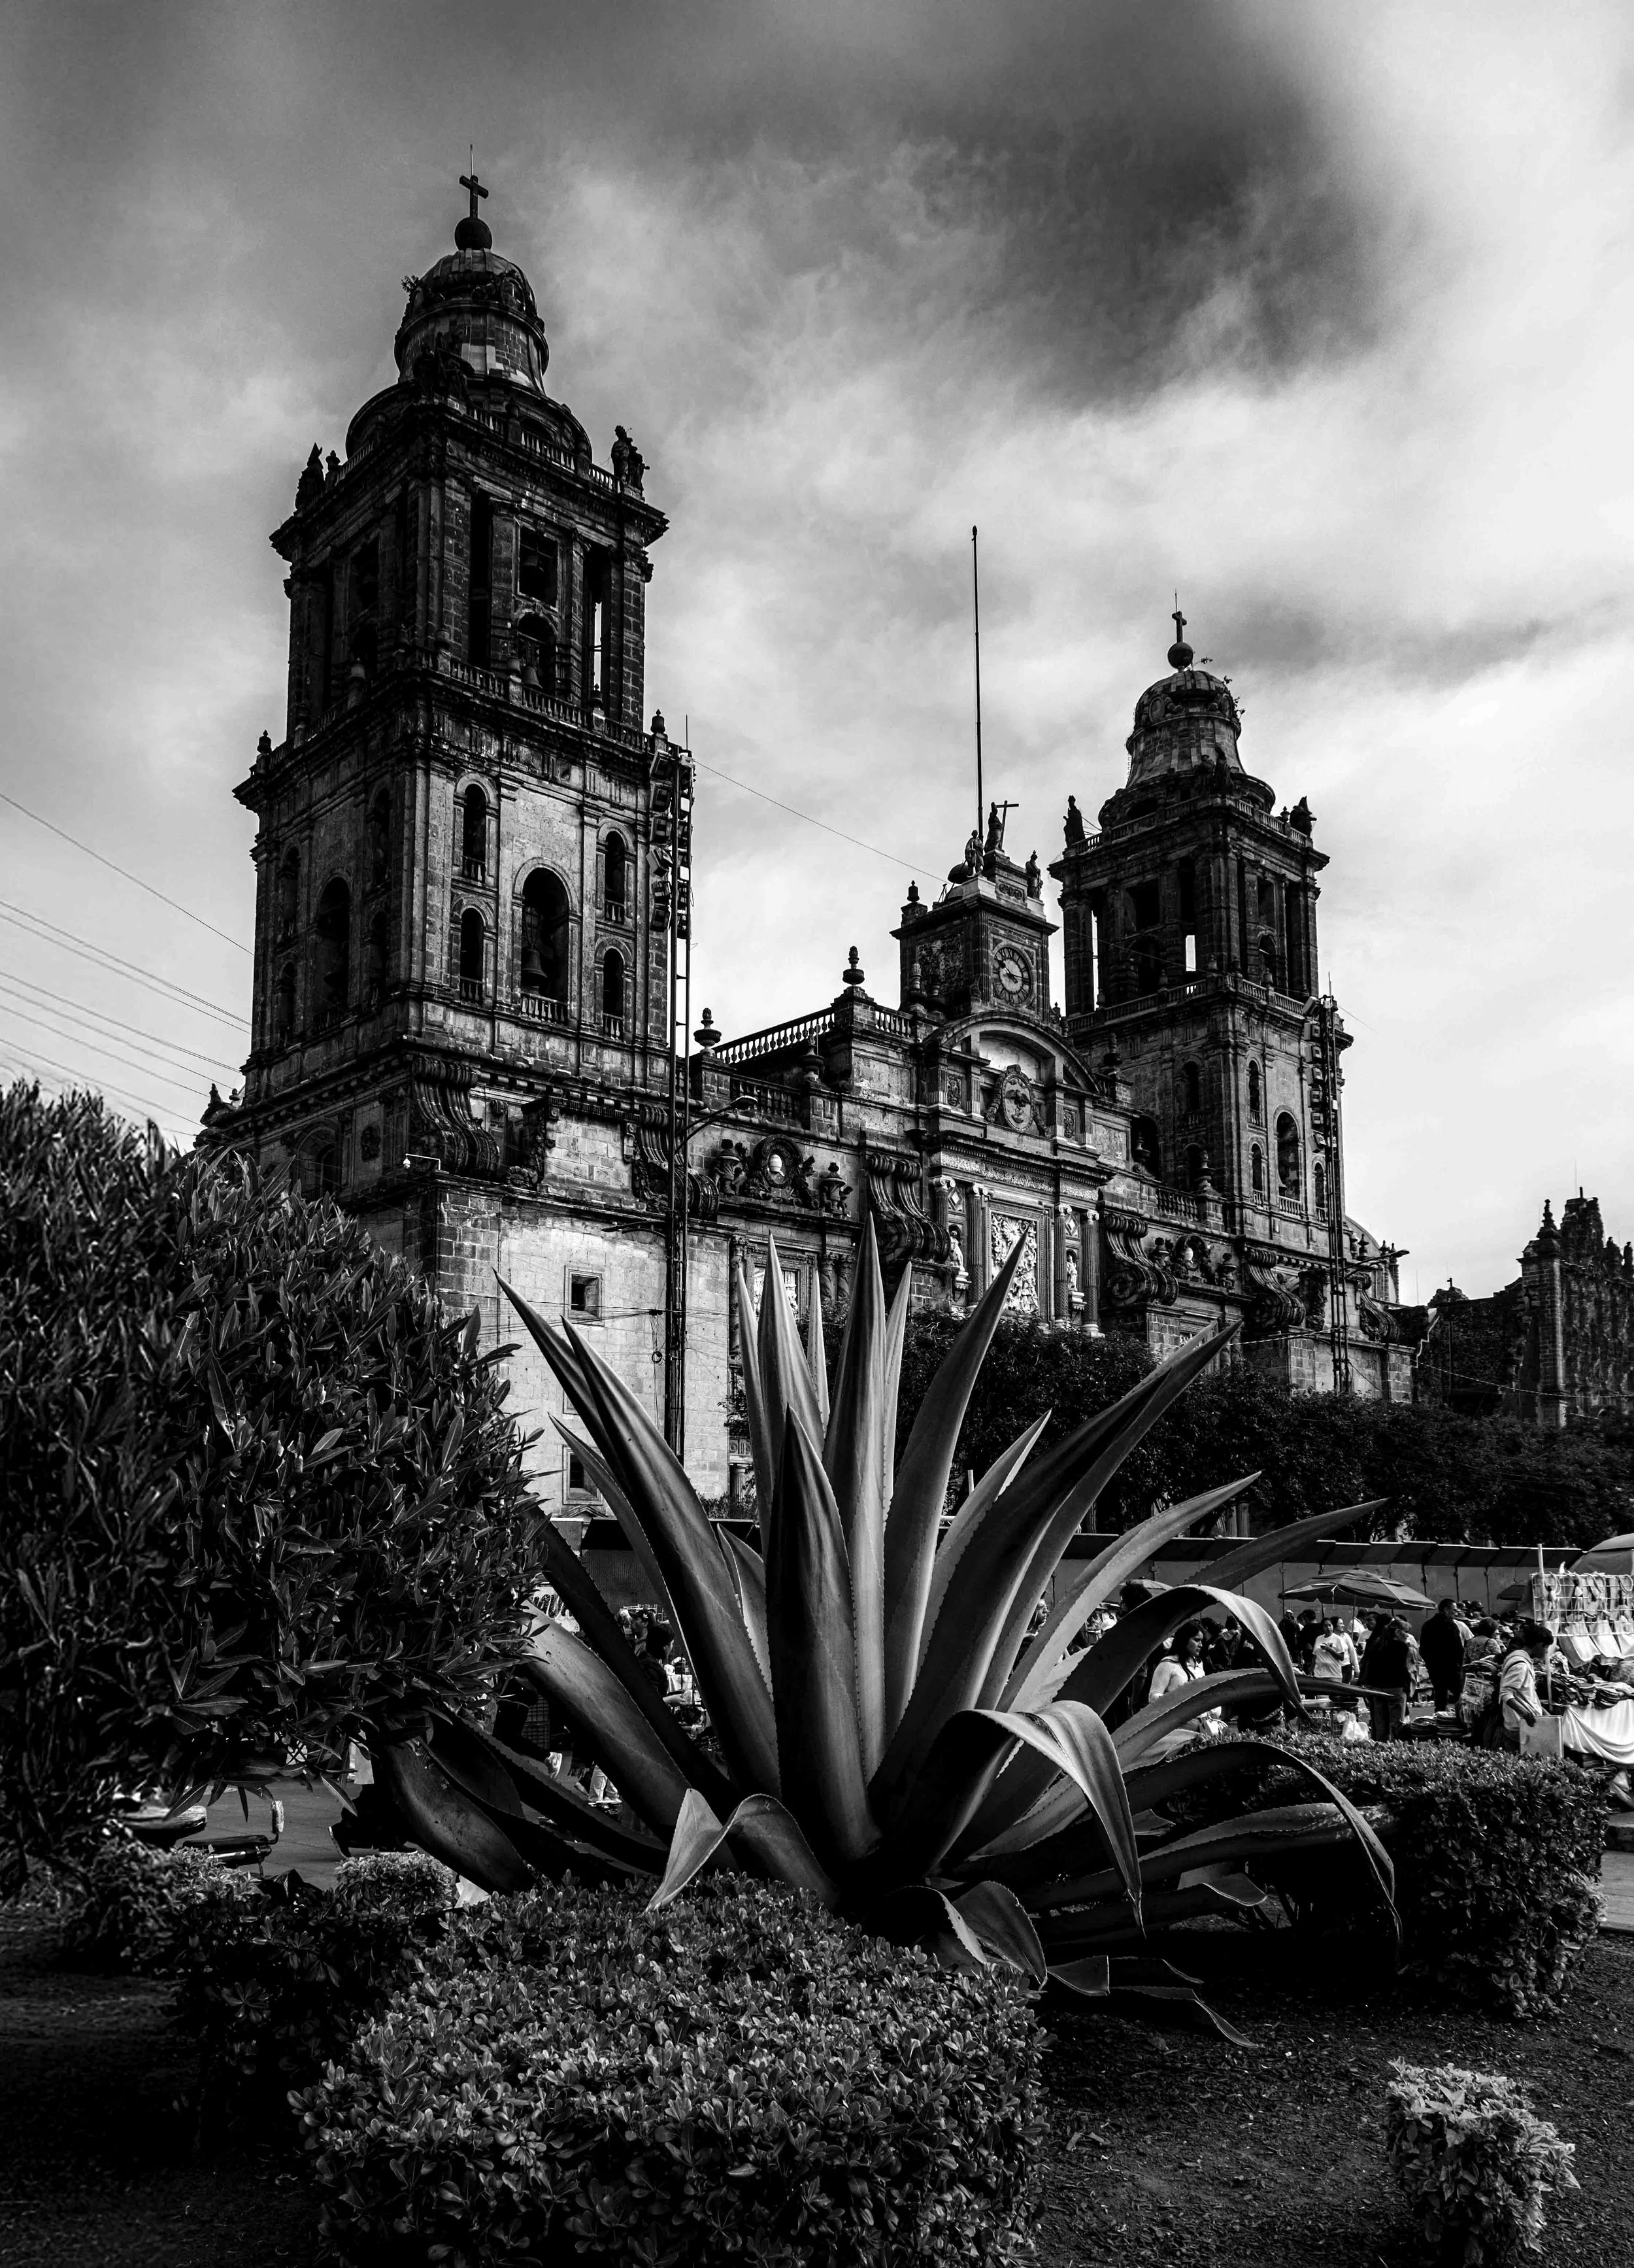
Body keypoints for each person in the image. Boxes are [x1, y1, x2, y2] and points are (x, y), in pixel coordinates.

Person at [1142, 1621, 1223, 1758]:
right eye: (1196, 1640)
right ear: (1184, 1640)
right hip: (1180, 1727)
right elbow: (1153, 1697)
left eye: (1202, 1641)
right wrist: (1180, 1700)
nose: (1201, 1645)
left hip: (1204, 1727)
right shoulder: (1168, 1664)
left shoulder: (1199, 1664)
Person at [1497, 1623, 1554, 1750]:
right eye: (1546, 1647)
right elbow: (1506, 1693)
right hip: (1520, 1726)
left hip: (1522, 1724)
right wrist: (1524, 1713)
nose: (1546, 1651)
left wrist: (1543, 1713)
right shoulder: (1521, 1665)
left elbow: (1527, 1694)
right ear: (1539, 1644)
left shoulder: (1520, 1659)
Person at [1359, 1614, 1414, 1742]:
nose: (1407, 1636)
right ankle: (1395, 1750)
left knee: (1381, 1727)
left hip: (1377, 1690)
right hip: (1395, 1689)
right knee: (1397, 1727)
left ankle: (1380, 1750)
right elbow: (1404, 1670)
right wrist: (1407, 1689)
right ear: (1397, 1632)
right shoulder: (1402, 1647)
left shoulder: (1377, 1644)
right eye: (1405, 1632)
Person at [1419, 1597, 1469, 1719]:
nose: (1456, 1613)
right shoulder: (1451, 1625)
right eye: (1454, 1610)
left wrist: (1430, 1664)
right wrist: (1459, 1665)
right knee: (1460, 1696)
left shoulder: (1427, 1625)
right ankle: (1461, 1719)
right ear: (1446, 1610)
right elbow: (1458, 1649)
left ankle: (1440, 1719)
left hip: (1435, 1669)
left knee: (1440, 1696)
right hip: (1452, 1668)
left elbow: (1423, 1649)